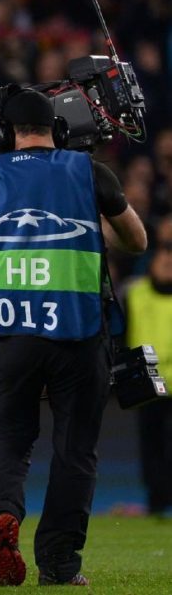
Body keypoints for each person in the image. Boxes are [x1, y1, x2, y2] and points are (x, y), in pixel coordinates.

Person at [0, 89, 147, 587]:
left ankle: (4, 512)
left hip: (7, 335)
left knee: (6, 437)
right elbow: (137, 241)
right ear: (57, 129)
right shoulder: (90, 172)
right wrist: (88, 228)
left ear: (7, 132)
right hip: (78, 333)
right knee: (75, 451)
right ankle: (60, 564)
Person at [125, 217, 172, 518]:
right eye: (163, 254)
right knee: (151, 447)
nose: (167, 261)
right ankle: (156, 502)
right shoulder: (136, 293)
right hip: (147, 382)